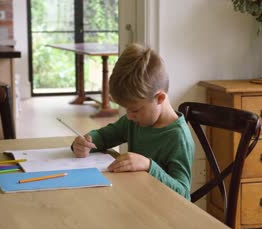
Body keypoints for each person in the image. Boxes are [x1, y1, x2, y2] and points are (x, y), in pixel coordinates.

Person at [71, 43, 195, 200]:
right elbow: (104, 136)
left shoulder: (178, 138)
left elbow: (183, 194)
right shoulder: (134, 121)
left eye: (134, 110)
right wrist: (86, 142)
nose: (129, 116)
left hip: (164, 214)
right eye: (126, 109)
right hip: (136, 201)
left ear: (160, 98)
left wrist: (148, 166)